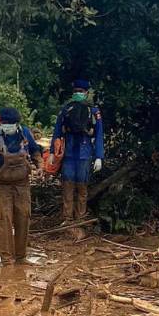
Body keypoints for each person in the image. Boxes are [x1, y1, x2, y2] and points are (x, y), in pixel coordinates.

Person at [0, 108, 43, 263]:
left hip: (22, 184)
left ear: (17, 123)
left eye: (11, 123)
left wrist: (40, 165)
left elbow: (35, 152)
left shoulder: (25, 134)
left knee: (23, 217)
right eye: (5, 123)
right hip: (1, 186)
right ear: (0, 122)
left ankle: (21, 257)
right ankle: (7, 259)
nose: (8, 126)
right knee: (4, 219)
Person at [50, 79, 104, 223]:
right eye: (76, 91)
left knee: (82, 186)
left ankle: (80, 218)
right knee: (67, 185)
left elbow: (99, 134)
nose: (78, 93)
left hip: (85, 153)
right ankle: (67, 218)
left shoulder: (94, 111)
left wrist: (99, 156)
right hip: (69, 153)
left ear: (86, 93)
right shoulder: (66, 109)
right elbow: (57, 133)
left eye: (81, 91)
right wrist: (51, 152)